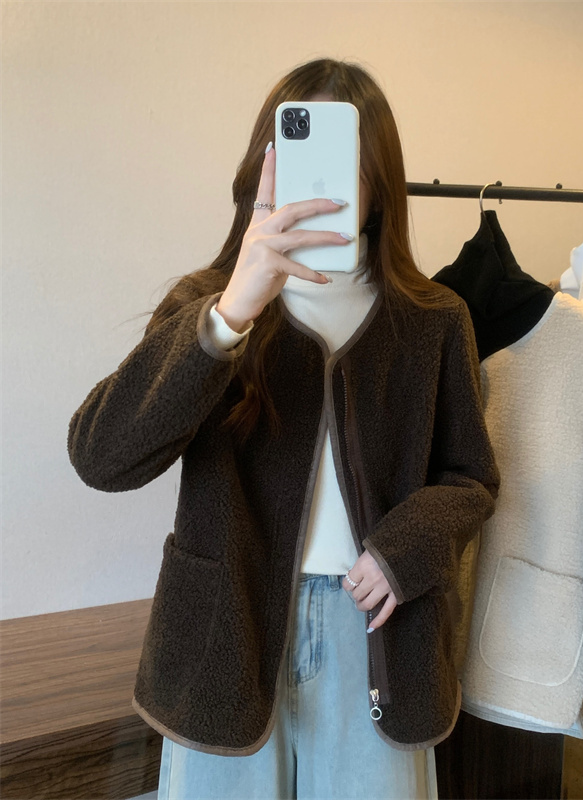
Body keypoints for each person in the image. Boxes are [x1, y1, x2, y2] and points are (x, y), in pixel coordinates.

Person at [67, 57, 499, 800]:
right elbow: (101, 457)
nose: (328, 185)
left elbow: (471, 477)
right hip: (225, 631)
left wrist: (405, 549)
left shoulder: (433, 319)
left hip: (376, 630)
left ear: (380, 182)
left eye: (351, 162)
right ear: (264, 170)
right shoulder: (211, 305)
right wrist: (231, 313)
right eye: (303, 159)